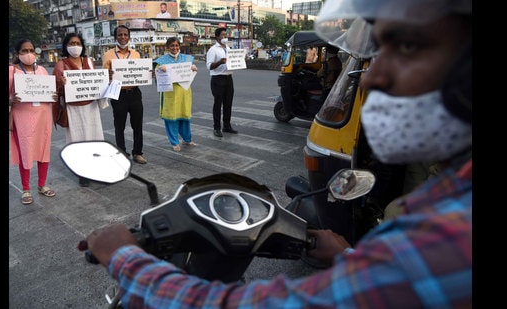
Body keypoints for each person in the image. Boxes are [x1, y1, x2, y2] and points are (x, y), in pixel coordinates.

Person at [85, 0, 472, 306]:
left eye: (406, 46)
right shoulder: (449, 194)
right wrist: (350, 258)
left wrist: (126, 260)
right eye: (378, 51)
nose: (373, 75)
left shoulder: (452, 235)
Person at [53, 33, 106, 187]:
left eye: (77, 43)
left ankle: (97, 168)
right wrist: (62, 84)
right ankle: (82, 171)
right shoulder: (60, 65)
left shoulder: (89, 61)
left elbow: (96, 82)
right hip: (73, 109)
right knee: (78, 139)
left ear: (82, 45)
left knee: (94, 136)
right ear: (65, 46)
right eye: (71, 43)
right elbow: (55, 90)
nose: (74, 46)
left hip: (91, 107)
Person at [9, 39, 58, 205]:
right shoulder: (12, 71)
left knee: (44, 150)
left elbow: (50, 91)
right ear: (18, 54)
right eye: (24, 51)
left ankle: (42, 185)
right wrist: (10, 100)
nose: (29, 54)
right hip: (22, 118)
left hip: (43, 116)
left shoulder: (42, 70)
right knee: (26, 152)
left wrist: (53, 96)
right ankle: (26, 189)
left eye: (31, 50)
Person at [102, 25, 148, 164]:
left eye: (125, 35)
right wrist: (107, 75)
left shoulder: (136, 54)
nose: (123, 37)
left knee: (137, 125)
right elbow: (103, 76)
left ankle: (137, 152)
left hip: (134, 92)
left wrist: (147, 73)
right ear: (115, 37)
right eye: (120, 35)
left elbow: (140, 71)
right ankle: (122, 152)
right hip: (118, 94)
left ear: (129, 36)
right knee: (119, 125)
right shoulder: (108, 55)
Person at [153, 37, 198, 152]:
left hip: (184, 93)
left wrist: (193, 69)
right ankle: (174, 142)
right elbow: (157, 78)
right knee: (171, 118)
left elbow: (190, 74)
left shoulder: (186, 59)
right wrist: (159, 70)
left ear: (179, 46)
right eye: (172, 46)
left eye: (176, 45)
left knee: (185, 116)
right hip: (169, 95)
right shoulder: (161, 61)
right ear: (167, 47)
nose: (175, 48)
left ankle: (187, 139)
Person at [206, 27, 238, 138]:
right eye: (223, 35)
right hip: (217, 79)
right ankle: (217, 127)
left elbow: (233, 60)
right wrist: (220, 62)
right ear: (217, 37)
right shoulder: (213, 50)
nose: (225, 37)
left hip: (228, 78)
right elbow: (209, 66)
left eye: (226, 34)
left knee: (228, 103)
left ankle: (227, 125)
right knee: (218, 104)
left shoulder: (228, 48)